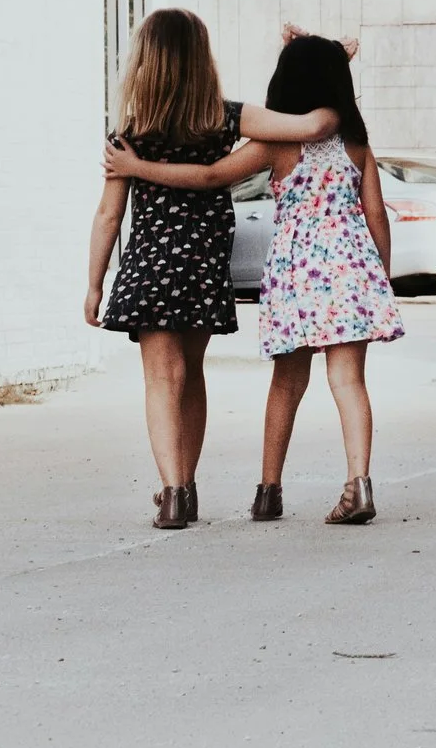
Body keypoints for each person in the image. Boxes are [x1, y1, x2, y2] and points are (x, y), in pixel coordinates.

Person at [104, 31, 401, 525]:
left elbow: (208, 177)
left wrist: (137, 167)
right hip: (351, 273)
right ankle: (359, 484)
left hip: (297, 276)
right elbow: (377, 216)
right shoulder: (356, 146)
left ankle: (268, 491)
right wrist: (381, 278)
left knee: (286, 382)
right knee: (349, 380)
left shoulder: (273, 147)